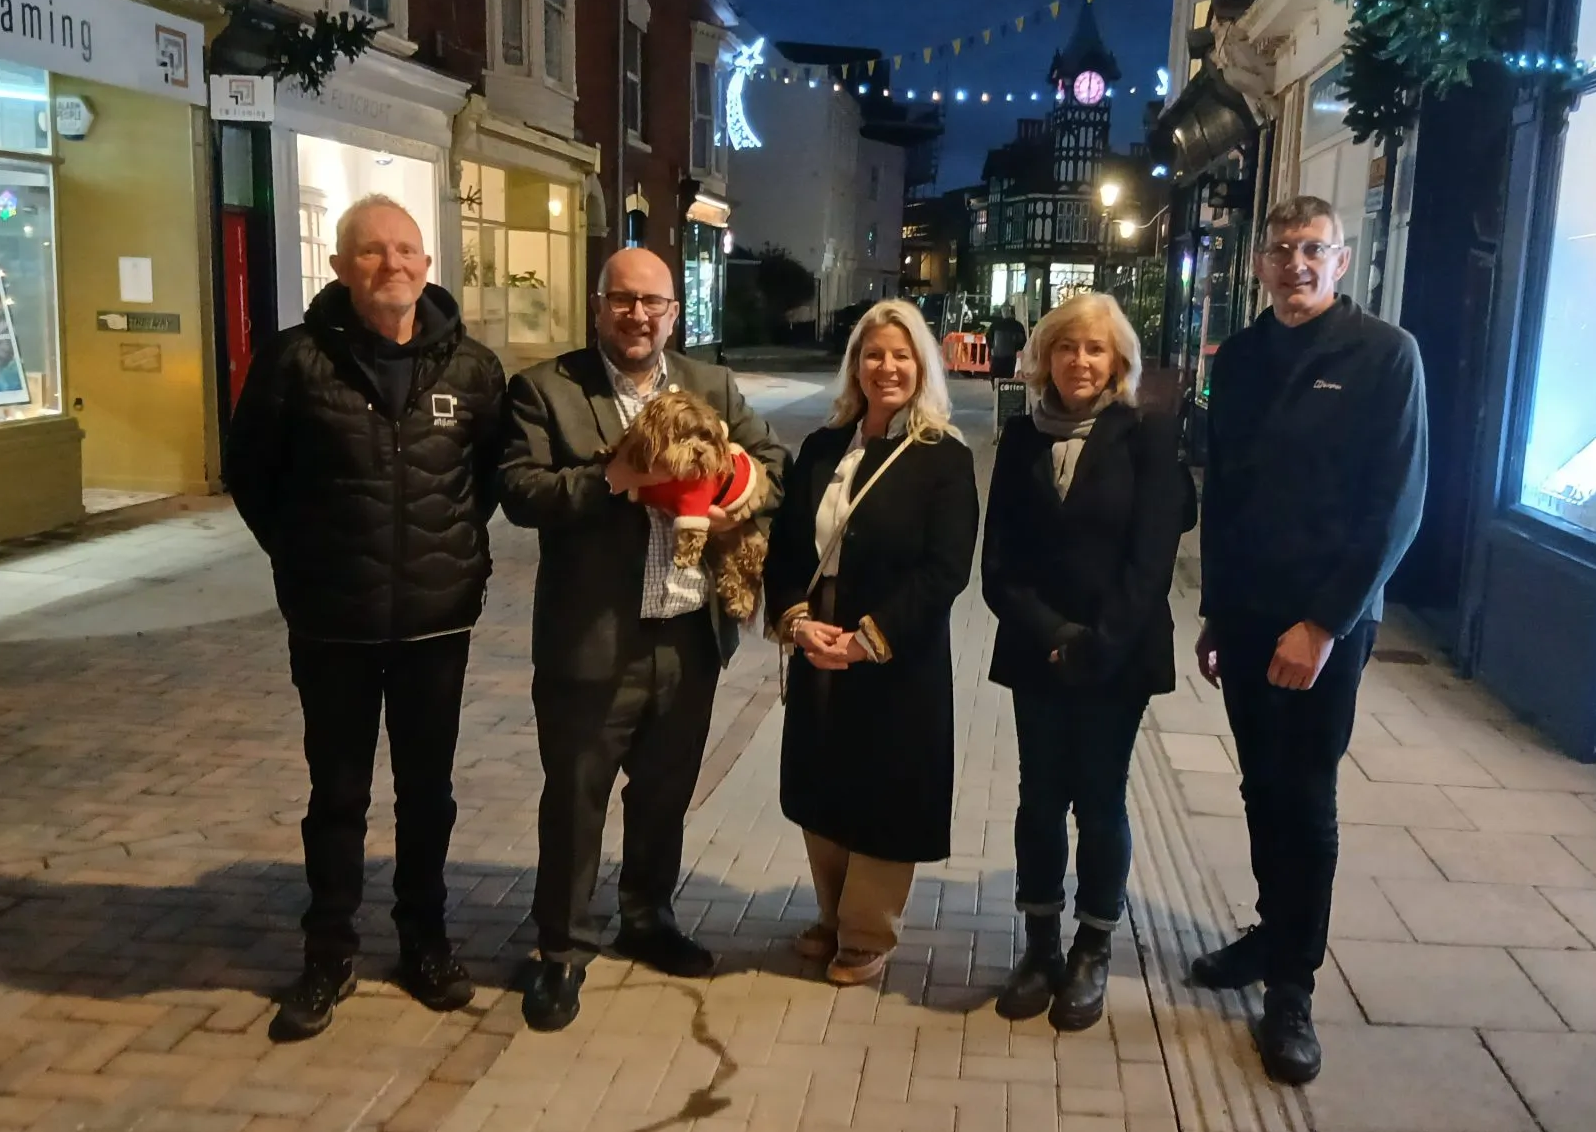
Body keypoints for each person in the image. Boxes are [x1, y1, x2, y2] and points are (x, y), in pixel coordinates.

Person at [226, 195, 506, 1043]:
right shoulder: (295, 361)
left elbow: (485, 481)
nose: (392, 264)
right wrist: (305, 557)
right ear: (343, 266)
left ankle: (425, 941)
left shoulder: (474, 369)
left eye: (406, 250)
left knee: (428, 795)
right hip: (332, 621)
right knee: (337, 792)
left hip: (434, 621)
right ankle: (329, 951)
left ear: (427, 264)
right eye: (372, 251)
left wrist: (445, 552)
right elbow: (251, 475)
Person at [499, 249, 787, 1032]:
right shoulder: (547, 389)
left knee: (663, 797)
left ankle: (648, 918)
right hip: (591, 642)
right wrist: (614, 480)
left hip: (689, 638)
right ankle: (560, 950)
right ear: (599, 307)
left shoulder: (712, 386)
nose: (637, 315)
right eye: (622, 301)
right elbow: (520, 491)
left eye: (652, 303)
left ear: (673, 313)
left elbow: (772, 463)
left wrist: (736, 498)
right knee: (577, 800)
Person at [1189, 195, 1428, 1085]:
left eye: (1314, 250)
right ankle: (1270, 929)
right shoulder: (1243, 356)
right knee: (1260, 785)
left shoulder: (1384, 357)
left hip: (1327, 624)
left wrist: (1324, 624)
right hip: (1249, 617)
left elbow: (1396, 508)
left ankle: (1295, 982)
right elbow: (1227, 493)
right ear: (1260, 261)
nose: (1297, 264)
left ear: (1344, 258)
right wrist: (1215, 609)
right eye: (1283, 249)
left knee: (1307, 795)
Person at [983, 294, 1189, 1031]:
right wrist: (1050, 631)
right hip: (1039, 648)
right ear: (1046, 357)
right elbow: (998, 563)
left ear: (1118, 362)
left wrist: (1097, 640)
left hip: (1117, 656)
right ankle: (1039, 946)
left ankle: (1093, 947)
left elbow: (1152, 560)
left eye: (1095, 349)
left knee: (1099, 799)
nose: (1079, 361)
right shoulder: (1020, 437)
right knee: (1038, 797)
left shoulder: (1148, 436)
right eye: (1067, 347)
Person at [765, 300, 979, 988]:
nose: (887, 367)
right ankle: (832, 914)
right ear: (855, 364)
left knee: (886, 782)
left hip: (895, 647)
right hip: (817, 630)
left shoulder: (944, 456)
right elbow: (789, 546)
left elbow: (945, 569)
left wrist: (868, 640)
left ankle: (866, 931)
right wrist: (795, 620)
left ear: (922, 366)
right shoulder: (825, 446)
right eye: (873, 354)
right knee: (821, 773)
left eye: (902, 355)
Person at [987, 305, 1027, 382]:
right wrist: (1017, 349)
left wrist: (991, 348)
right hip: (1010, 357)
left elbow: (988, 338)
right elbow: (1022, 341)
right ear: (1012, 313)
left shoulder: (995, 325)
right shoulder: (1018, 325)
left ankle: (996, 389)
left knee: (995, 375)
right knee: (1008, 376)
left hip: (997, 357)